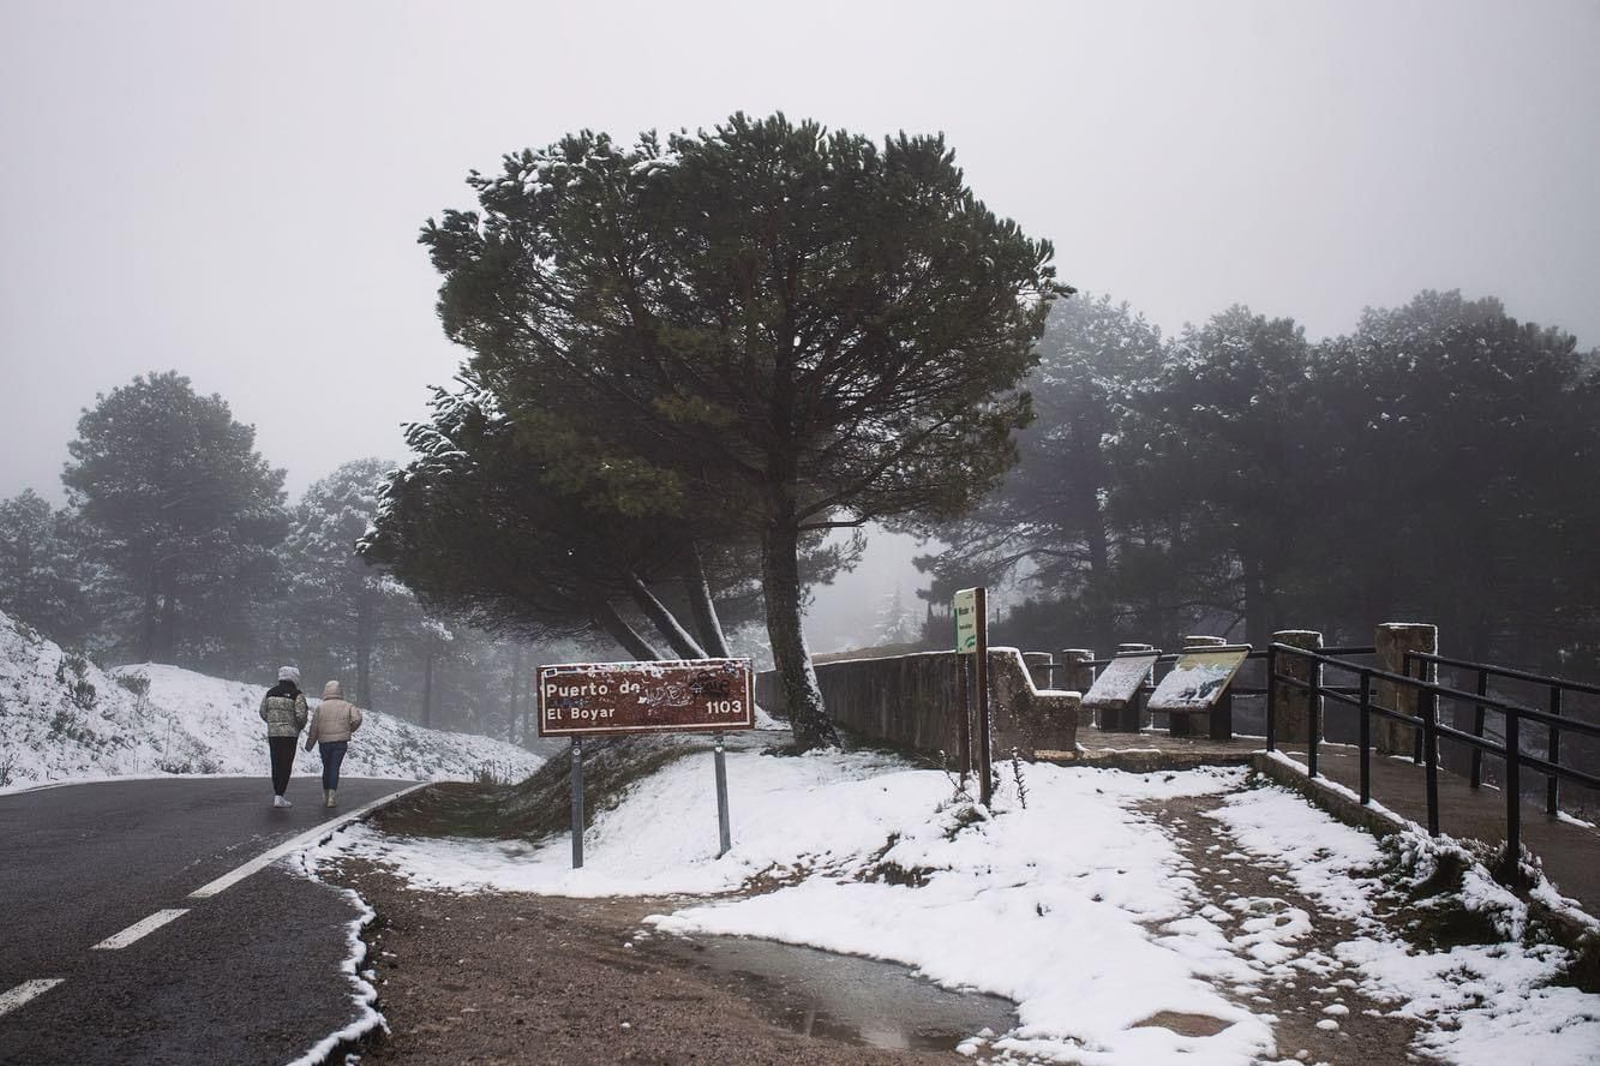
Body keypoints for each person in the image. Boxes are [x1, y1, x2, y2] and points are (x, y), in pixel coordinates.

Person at [305, 679, 363, 808]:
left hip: (324, 743)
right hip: (340, 743)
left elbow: (314, 728)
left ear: (326, 691)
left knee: (327, 768)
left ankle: (325, 795)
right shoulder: (348, 705)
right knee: (334, 768)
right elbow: (357, 718)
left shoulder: (320, 707)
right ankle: (332, 797)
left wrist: (309, 744)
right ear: (340, 691)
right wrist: (349, 729)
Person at [259, 666, 309, 807]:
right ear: (295, 677)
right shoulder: (297, 694)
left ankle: (277, 793)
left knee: (276, 762)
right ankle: (280, 795)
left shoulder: (270, 693)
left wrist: (272, 723)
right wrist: (298, 727)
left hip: (273, 734)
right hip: (290, 735)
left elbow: (263, 711)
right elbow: (301, 715)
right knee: (286, 764)